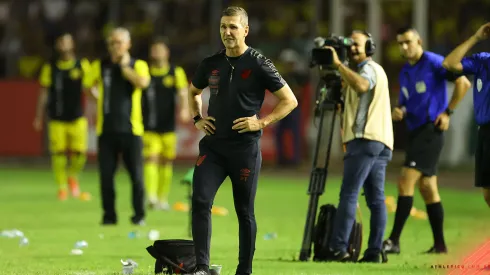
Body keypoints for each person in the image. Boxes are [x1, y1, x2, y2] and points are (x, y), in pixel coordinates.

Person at [187, 6, 298, 275]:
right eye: (223, 27)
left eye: (233, 27)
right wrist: (197, 119)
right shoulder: (210, 63)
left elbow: (290, 101)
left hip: (244, 150)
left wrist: (261, 122)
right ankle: (202, 267)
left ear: (245, 30)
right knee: (201, 201)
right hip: (213, 148)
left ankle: (244, 270)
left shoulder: (259, 63)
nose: (227, 32)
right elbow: (193, 91)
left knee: (244, 212)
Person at [382, 27, 471, 255]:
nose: (404, 47)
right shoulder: (405, 72)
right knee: (428, 188)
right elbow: (404, 102)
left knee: (405, 181)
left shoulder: (434, 62)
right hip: (415, 131)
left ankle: (393, 240)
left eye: (408, 42)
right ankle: (440, 245)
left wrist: (448, 112)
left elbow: (463, 84)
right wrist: (399, 110)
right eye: (400, 43)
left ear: (419, 41)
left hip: (430, 130)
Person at [323, 30, 393, 263]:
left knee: (349, 194)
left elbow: (362, 86)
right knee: (376, 199)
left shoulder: (368, 69)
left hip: (365, 140)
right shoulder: (376, 70)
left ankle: (338, 248)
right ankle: (374, 252)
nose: (352, 47)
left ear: (370, 47)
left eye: (358, 44)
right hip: (380, 142)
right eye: (350, 44)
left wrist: (337, 65)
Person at [90, 27, 150, 225]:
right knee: (106, 177)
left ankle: (139, 215)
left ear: (128, 45)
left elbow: (142, 83)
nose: (115, 47)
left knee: (137, 177)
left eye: (119, 42)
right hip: (106, 130)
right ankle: (109, 217)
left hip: (132, 130)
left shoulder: (137, 64)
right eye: (112, 43)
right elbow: (87, 82)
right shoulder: (101, 65)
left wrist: (125, 68)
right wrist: (97, 97)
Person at [33, 32, 93, 201]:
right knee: (58, 154)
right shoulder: (50, 67)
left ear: (73, 44)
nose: (64, 45)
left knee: (80, 153)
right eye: (61, 42)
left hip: (77, 117)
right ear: (57, 46)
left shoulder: (82, 65)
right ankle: (61, 188)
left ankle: (72, 176)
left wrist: (95, 107)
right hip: (57, 118)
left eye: (67, 42)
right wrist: (38, 116)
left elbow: (89, 87)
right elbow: (44, 92)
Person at [442, 22, 490, 208]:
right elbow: (449, 63)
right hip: (484, 132)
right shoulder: (483, 61)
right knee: (487, 195)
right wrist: (476, 38)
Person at [142, 37, 190, 210]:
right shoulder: (145, 72)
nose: (156, 53)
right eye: (154, 50)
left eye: (160, 50)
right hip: (148, 124)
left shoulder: (175, 72)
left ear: (167, 53)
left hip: (168, 125)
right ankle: (151, 197)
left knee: (166, 161)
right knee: (151, 158)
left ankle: (162, 199)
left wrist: (184, 109)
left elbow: (183, 92)